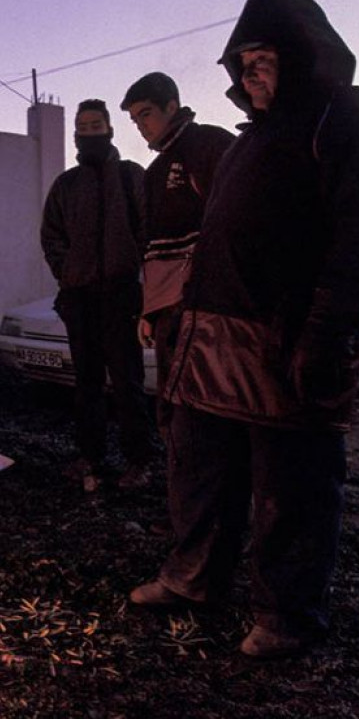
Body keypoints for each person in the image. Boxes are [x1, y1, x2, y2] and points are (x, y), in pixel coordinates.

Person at [129, 0, 359, 660]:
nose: (251, 73)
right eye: (243, 62)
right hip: (214, 339)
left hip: (287, 338)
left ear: (305, 56)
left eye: (265, 59)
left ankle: (288, 614)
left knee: (292, 484)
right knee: (199, 467)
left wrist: (329, 328)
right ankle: (194, 577)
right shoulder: (249, 140)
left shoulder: (352, 120)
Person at [121, 72, 235, 488]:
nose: (141, 125)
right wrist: (149, 311)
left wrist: (206, 297)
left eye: (146, 114)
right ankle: (184, 510)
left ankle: (212, 516)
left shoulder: (208, 145)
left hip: (207, 310)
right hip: (169, 312)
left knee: (207, 413)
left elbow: (230, 227)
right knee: (173, 409)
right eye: (135, 119)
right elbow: (151, 248)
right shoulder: (154, 173)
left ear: (172, 106)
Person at [40, 99, 151, 492]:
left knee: (128, 383)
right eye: (83, 126)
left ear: (109, 128)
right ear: (76, 133)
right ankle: (91, 455)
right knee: (87, 384)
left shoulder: (130, 177)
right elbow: (51, 236)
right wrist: (68, 271)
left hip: (121, 296)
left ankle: (139, 462)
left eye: (96, 125)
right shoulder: (66, 185)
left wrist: (134, 272)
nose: (89, 132)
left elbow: (148, 230)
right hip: (80, 297)